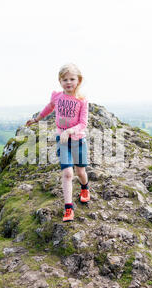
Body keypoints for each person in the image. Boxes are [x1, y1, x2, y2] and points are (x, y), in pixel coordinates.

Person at [26, 63, 90, 222]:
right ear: (60, 81)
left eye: (72, 79)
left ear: (78, 80)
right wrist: (36, 119)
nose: (68, 82)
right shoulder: (57, 96)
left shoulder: (82, 100)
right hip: (62, 141)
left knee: (80, 172)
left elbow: (83, 123)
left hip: (78, 141)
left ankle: (84, 188)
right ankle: (68, 208)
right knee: (68, 173)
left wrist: (70, 131)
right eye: (65, 79)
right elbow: (49, 107)